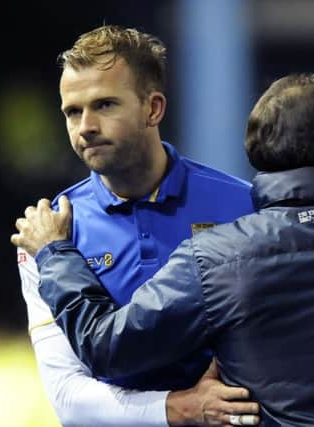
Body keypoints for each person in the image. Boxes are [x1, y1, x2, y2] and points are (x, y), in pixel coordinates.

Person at [12, 72, 314, 426]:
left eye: (104, 104)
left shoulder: (217, 255)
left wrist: (53, 253)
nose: (86, 126)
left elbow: (106, 347)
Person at [13, 25, 259, 426]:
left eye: (105, 105)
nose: (85, 126)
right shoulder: (47, 232)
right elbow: (68, 399)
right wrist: (180, 408)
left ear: (153, 109)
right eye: (72, 112)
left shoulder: (246, 205)